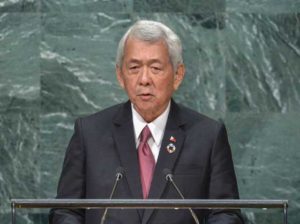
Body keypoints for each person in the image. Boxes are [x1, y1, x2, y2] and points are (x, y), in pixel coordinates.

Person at [49, 20, 244, 224]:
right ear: (120, 76)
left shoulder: (208, 136)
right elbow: (66, 211)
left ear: (178, 75)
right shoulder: (89, 133)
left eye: (155, 68)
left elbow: (225, 214)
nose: (144, 79)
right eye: (134, 67)